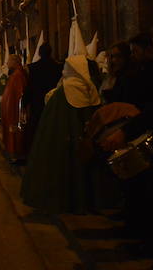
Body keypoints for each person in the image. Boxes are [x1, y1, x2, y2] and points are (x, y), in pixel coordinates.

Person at [101, 23, 153, 250]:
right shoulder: (141, 72)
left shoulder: (148, 73)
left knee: (148, 188)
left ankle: (149, 238)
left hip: (147, 131)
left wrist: (126, 130)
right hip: (142, 129)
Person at [21, 55, 101, 214]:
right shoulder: (87, 88)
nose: (63, 69)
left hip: (60, 138)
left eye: (67, 66)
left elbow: (54, 114)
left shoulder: (66, 89)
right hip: (78, 136)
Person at [24, 43, 62, 153]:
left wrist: (25, 101)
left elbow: (30, 86)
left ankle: (37, 151)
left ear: (39, 53)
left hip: (37, 102)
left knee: (37, 128)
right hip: (53, 102)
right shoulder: (58, 67)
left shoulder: (33, 68)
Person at [0, 54, 28, 163]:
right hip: (10, 110)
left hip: (15, 111)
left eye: (9, 61)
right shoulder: (15, 74)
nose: (7, 63)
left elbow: (19, 93)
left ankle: (17, 154)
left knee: (15, 133)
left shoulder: (18, 75)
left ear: (15, 62)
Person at [99, 42, 143, 106]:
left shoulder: (129, 79)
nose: (114, 60)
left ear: (126, 57)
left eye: (118, 56)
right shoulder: (111, 76)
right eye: (112, 56)